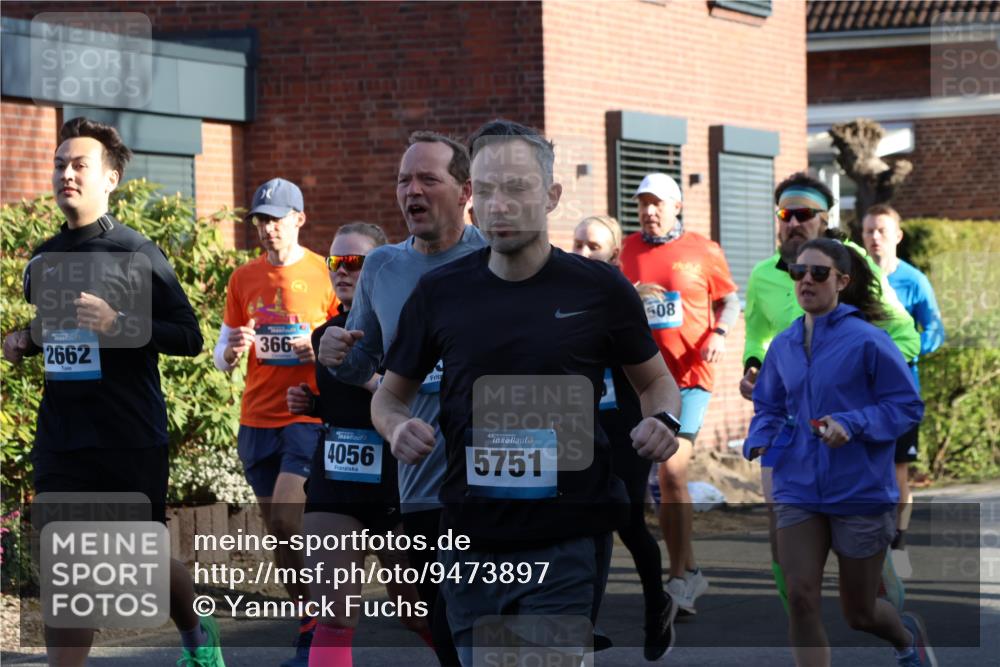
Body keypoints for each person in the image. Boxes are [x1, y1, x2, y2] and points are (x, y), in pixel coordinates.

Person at [373, 119, 682, 666]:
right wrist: (398, 427)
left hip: (566, 538)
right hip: (469, 539)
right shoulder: (441, 292)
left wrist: (663, 421)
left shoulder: (597, 288)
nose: (500, 204)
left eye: (516, 188)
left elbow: (657, 382)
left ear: (551, 195)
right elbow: (389, 396)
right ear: (473, 198)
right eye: (488, 190)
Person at [2, 117, 223, 666]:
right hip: (63, 437)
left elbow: (190, 338)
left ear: (111, 178)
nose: (66, 174)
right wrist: (24, 339)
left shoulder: (137, 252)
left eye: (79, 165)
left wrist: (119, 322)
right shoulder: (42, 258)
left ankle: (197, 631)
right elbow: (51, 331)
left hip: (128, 435)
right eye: (59, 165)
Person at [317, 131, 486, 666]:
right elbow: (365, 365)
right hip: (416, 474)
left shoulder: (496, 258)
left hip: (490, 471)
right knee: (442, 620)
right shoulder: (384, 267)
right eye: (403, 180)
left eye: (428, 179)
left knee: (490, 615)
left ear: (465, 192)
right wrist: (336, 352)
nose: (411, 190)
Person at [743, 237, 935, 667]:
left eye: (818, 273)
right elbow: (770, 404)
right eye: (798, 272)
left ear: (842, 281)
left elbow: (906, 407)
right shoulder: (784, 345)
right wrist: (762, 436)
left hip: (859, 487)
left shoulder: (869, 341)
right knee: (801, 596)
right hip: (797, 485)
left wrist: (852, 423)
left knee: (859, 613)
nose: (805, 280)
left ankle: (906, 639)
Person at [285, 222, 431, 666]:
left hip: (396, 485)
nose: (342, 271)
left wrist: (366, 377)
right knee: (335, 615)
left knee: (416, 610)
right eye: (334, 262)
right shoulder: (323, 335)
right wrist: (312, 403)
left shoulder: (406, 331)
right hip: (335, 481)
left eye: (354, 263)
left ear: (379, 269)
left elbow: (410, 398)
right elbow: (344, 407)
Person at [214, 177, 338, 667]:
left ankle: (324, 624)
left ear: (299, 220)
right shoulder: (243, 278)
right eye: (262, 220)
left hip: (305, 413)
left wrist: (319, 344)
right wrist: (233, 348)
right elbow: (223, 357)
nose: (268, 230)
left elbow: (352, 341)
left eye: (277, 220)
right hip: (255, 419)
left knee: (289, 516)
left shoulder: (325, 273)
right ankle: (308, 621)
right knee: (280, 534)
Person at [618, 172, 741, 615]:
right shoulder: (626, 250)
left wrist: (721, 332)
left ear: (676, 207)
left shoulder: (704, 250)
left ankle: (678, 579)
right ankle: (688, 568)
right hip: (642, 380)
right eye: (642, 204)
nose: (649, 212)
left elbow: (730, 298)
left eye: (657, 204)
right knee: (650, 483)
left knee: (670, 473)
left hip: (689, 378)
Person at [571, 215, 677, 660]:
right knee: (584, 522)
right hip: (579, 427)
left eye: (593, 246)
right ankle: (584, 624)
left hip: (626, 427)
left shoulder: (625, 302)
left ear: (614, 255)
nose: (582, 253)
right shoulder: (556, 298)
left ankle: (657, 604)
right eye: (577, 244)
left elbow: (653, 370)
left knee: (626, 520)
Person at [862, 203, 945, 577]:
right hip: (858, 393)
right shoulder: (853, 280)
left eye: (881, 230)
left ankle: (899, 543)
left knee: (897, 472)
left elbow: (934, 332)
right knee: (864, 470)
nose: (874, 238)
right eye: (868, 232)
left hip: (900, 393)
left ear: (897, 236)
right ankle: (867, 544)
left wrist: (899, 354)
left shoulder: (914, 281)